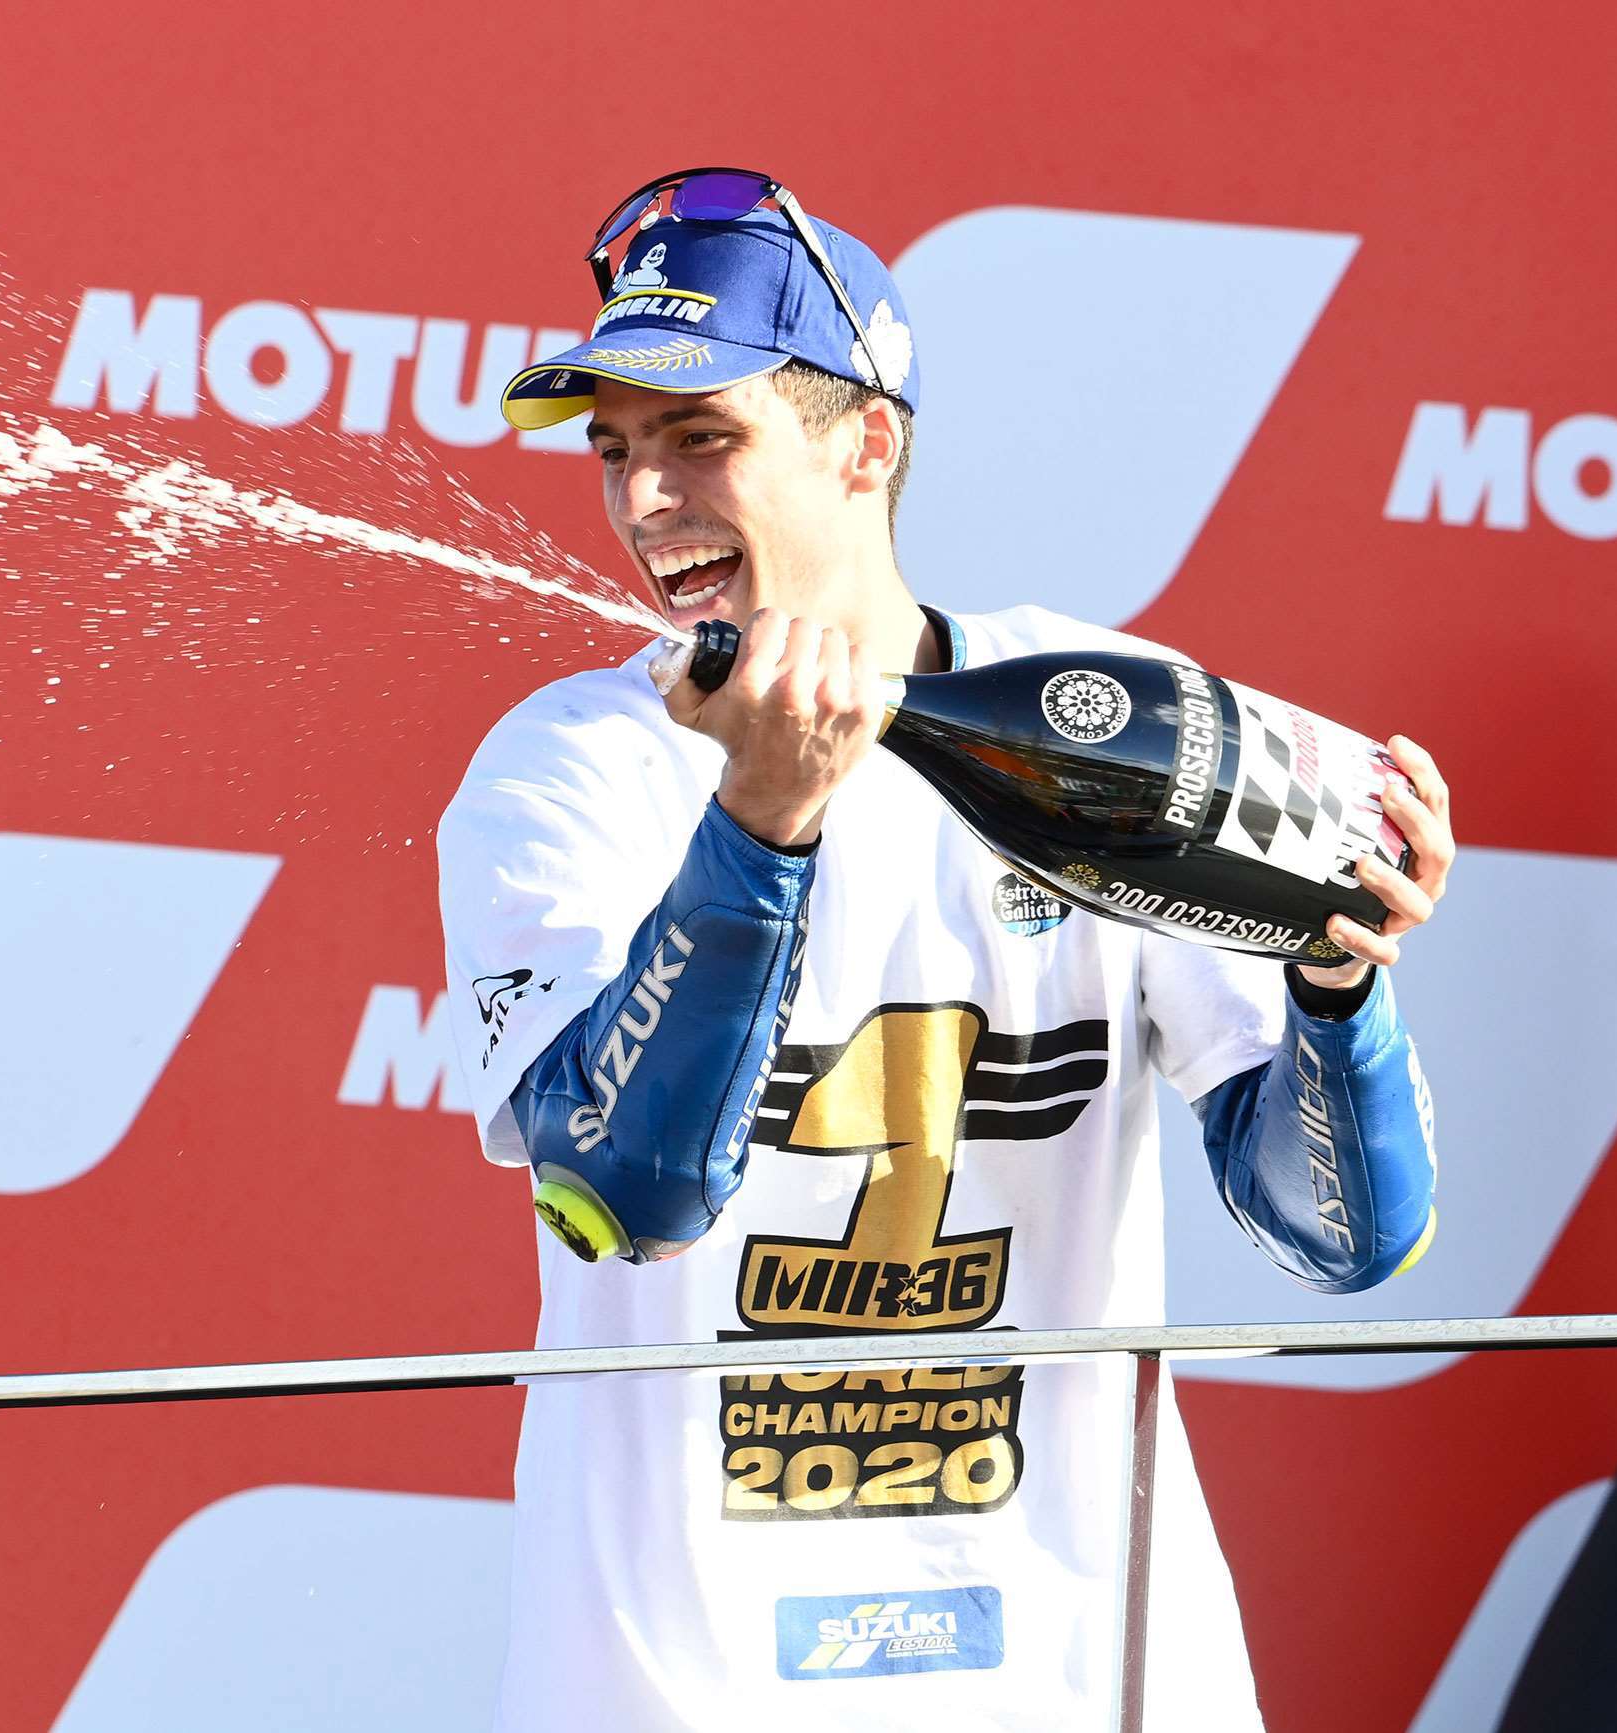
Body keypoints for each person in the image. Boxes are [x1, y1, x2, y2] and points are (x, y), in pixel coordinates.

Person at [438, 168, 1452, 1732]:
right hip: (675, 1699)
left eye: (700, 437)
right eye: (615, 449)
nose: (642, 502)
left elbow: (1350, 1234)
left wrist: (1338, 984)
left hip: (1091, 1691)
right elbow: (626, 1194)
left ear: (867, 443)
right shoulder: (565, 769)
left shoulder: (1110, 721)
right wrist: (765, 824)